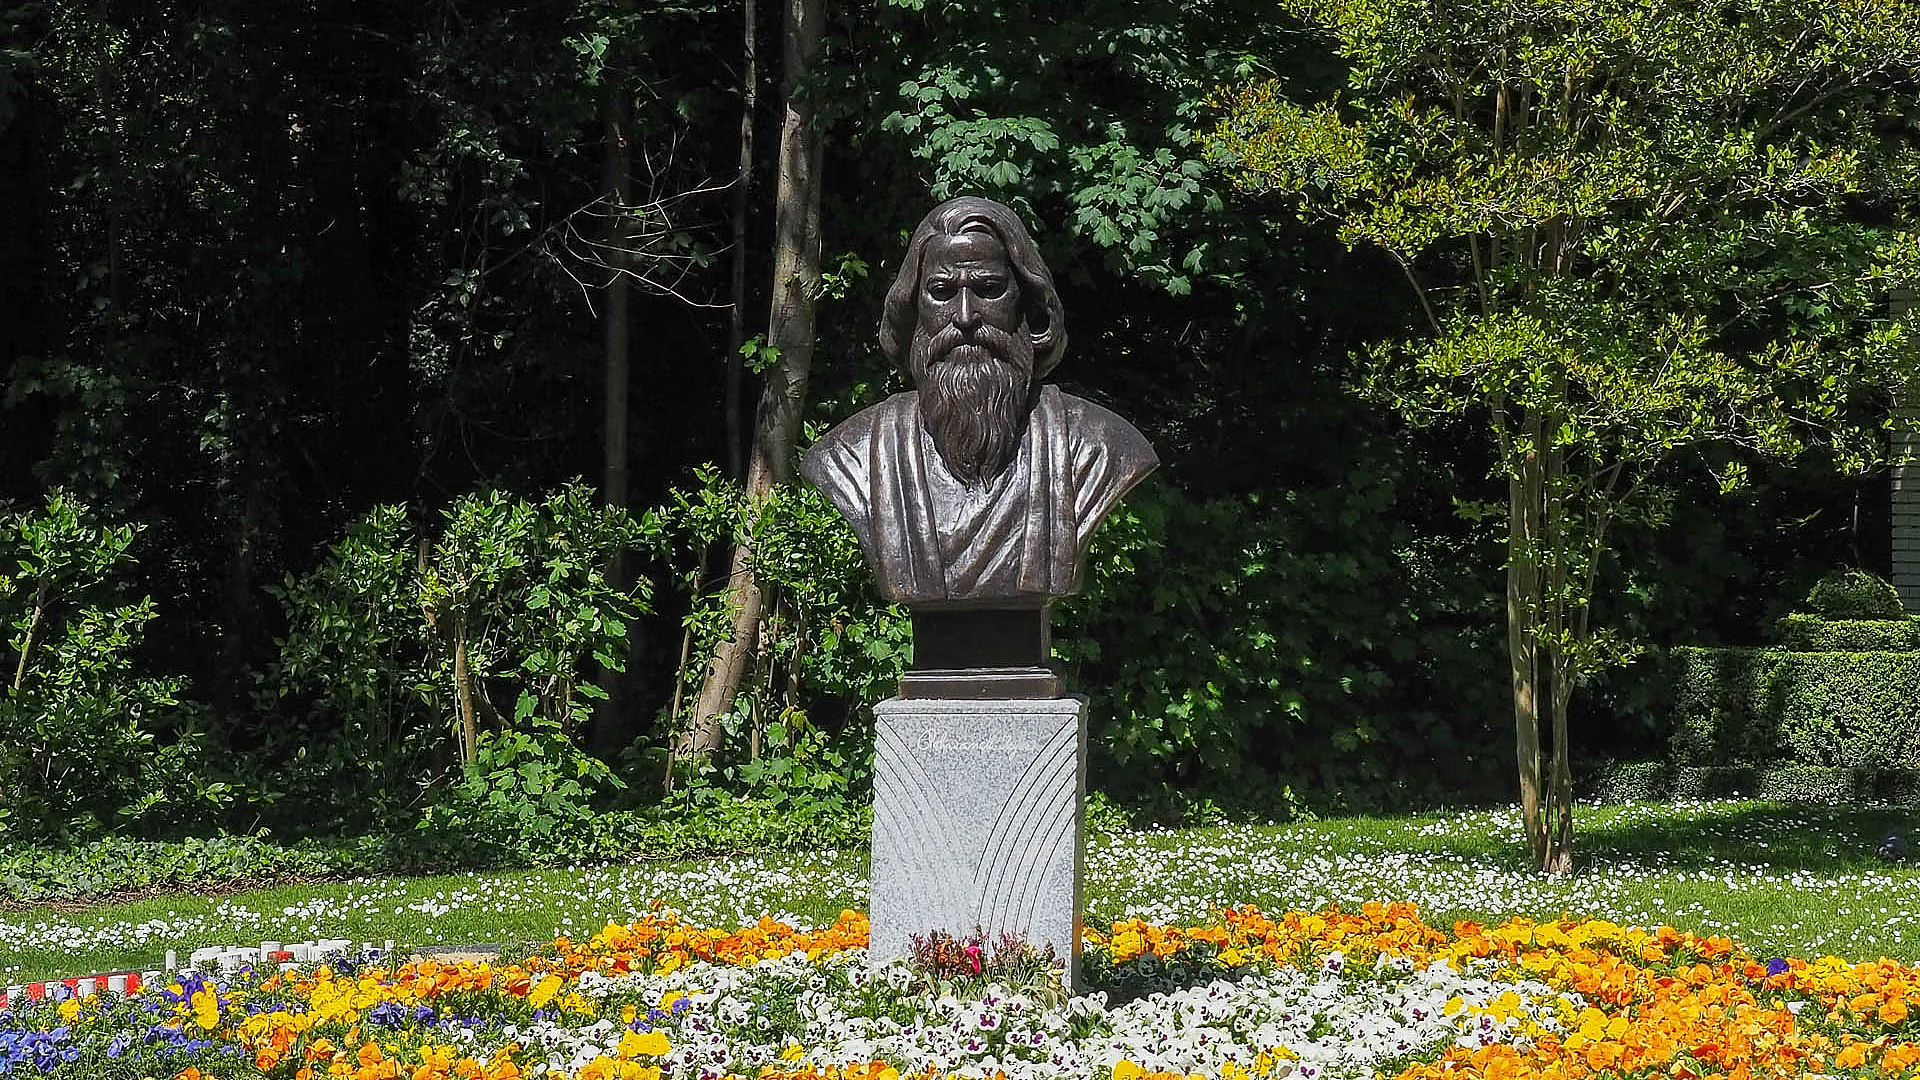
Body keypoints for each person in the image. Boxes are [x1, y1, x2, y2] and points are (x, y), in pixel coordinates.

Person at [802, 196, 1157, 605]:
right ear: (913, 307)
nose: (966, 316)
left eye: (989, 289)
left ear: (1027, 302)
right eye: (941, 292)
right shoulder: (853, 455)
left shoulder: (1097, 448)